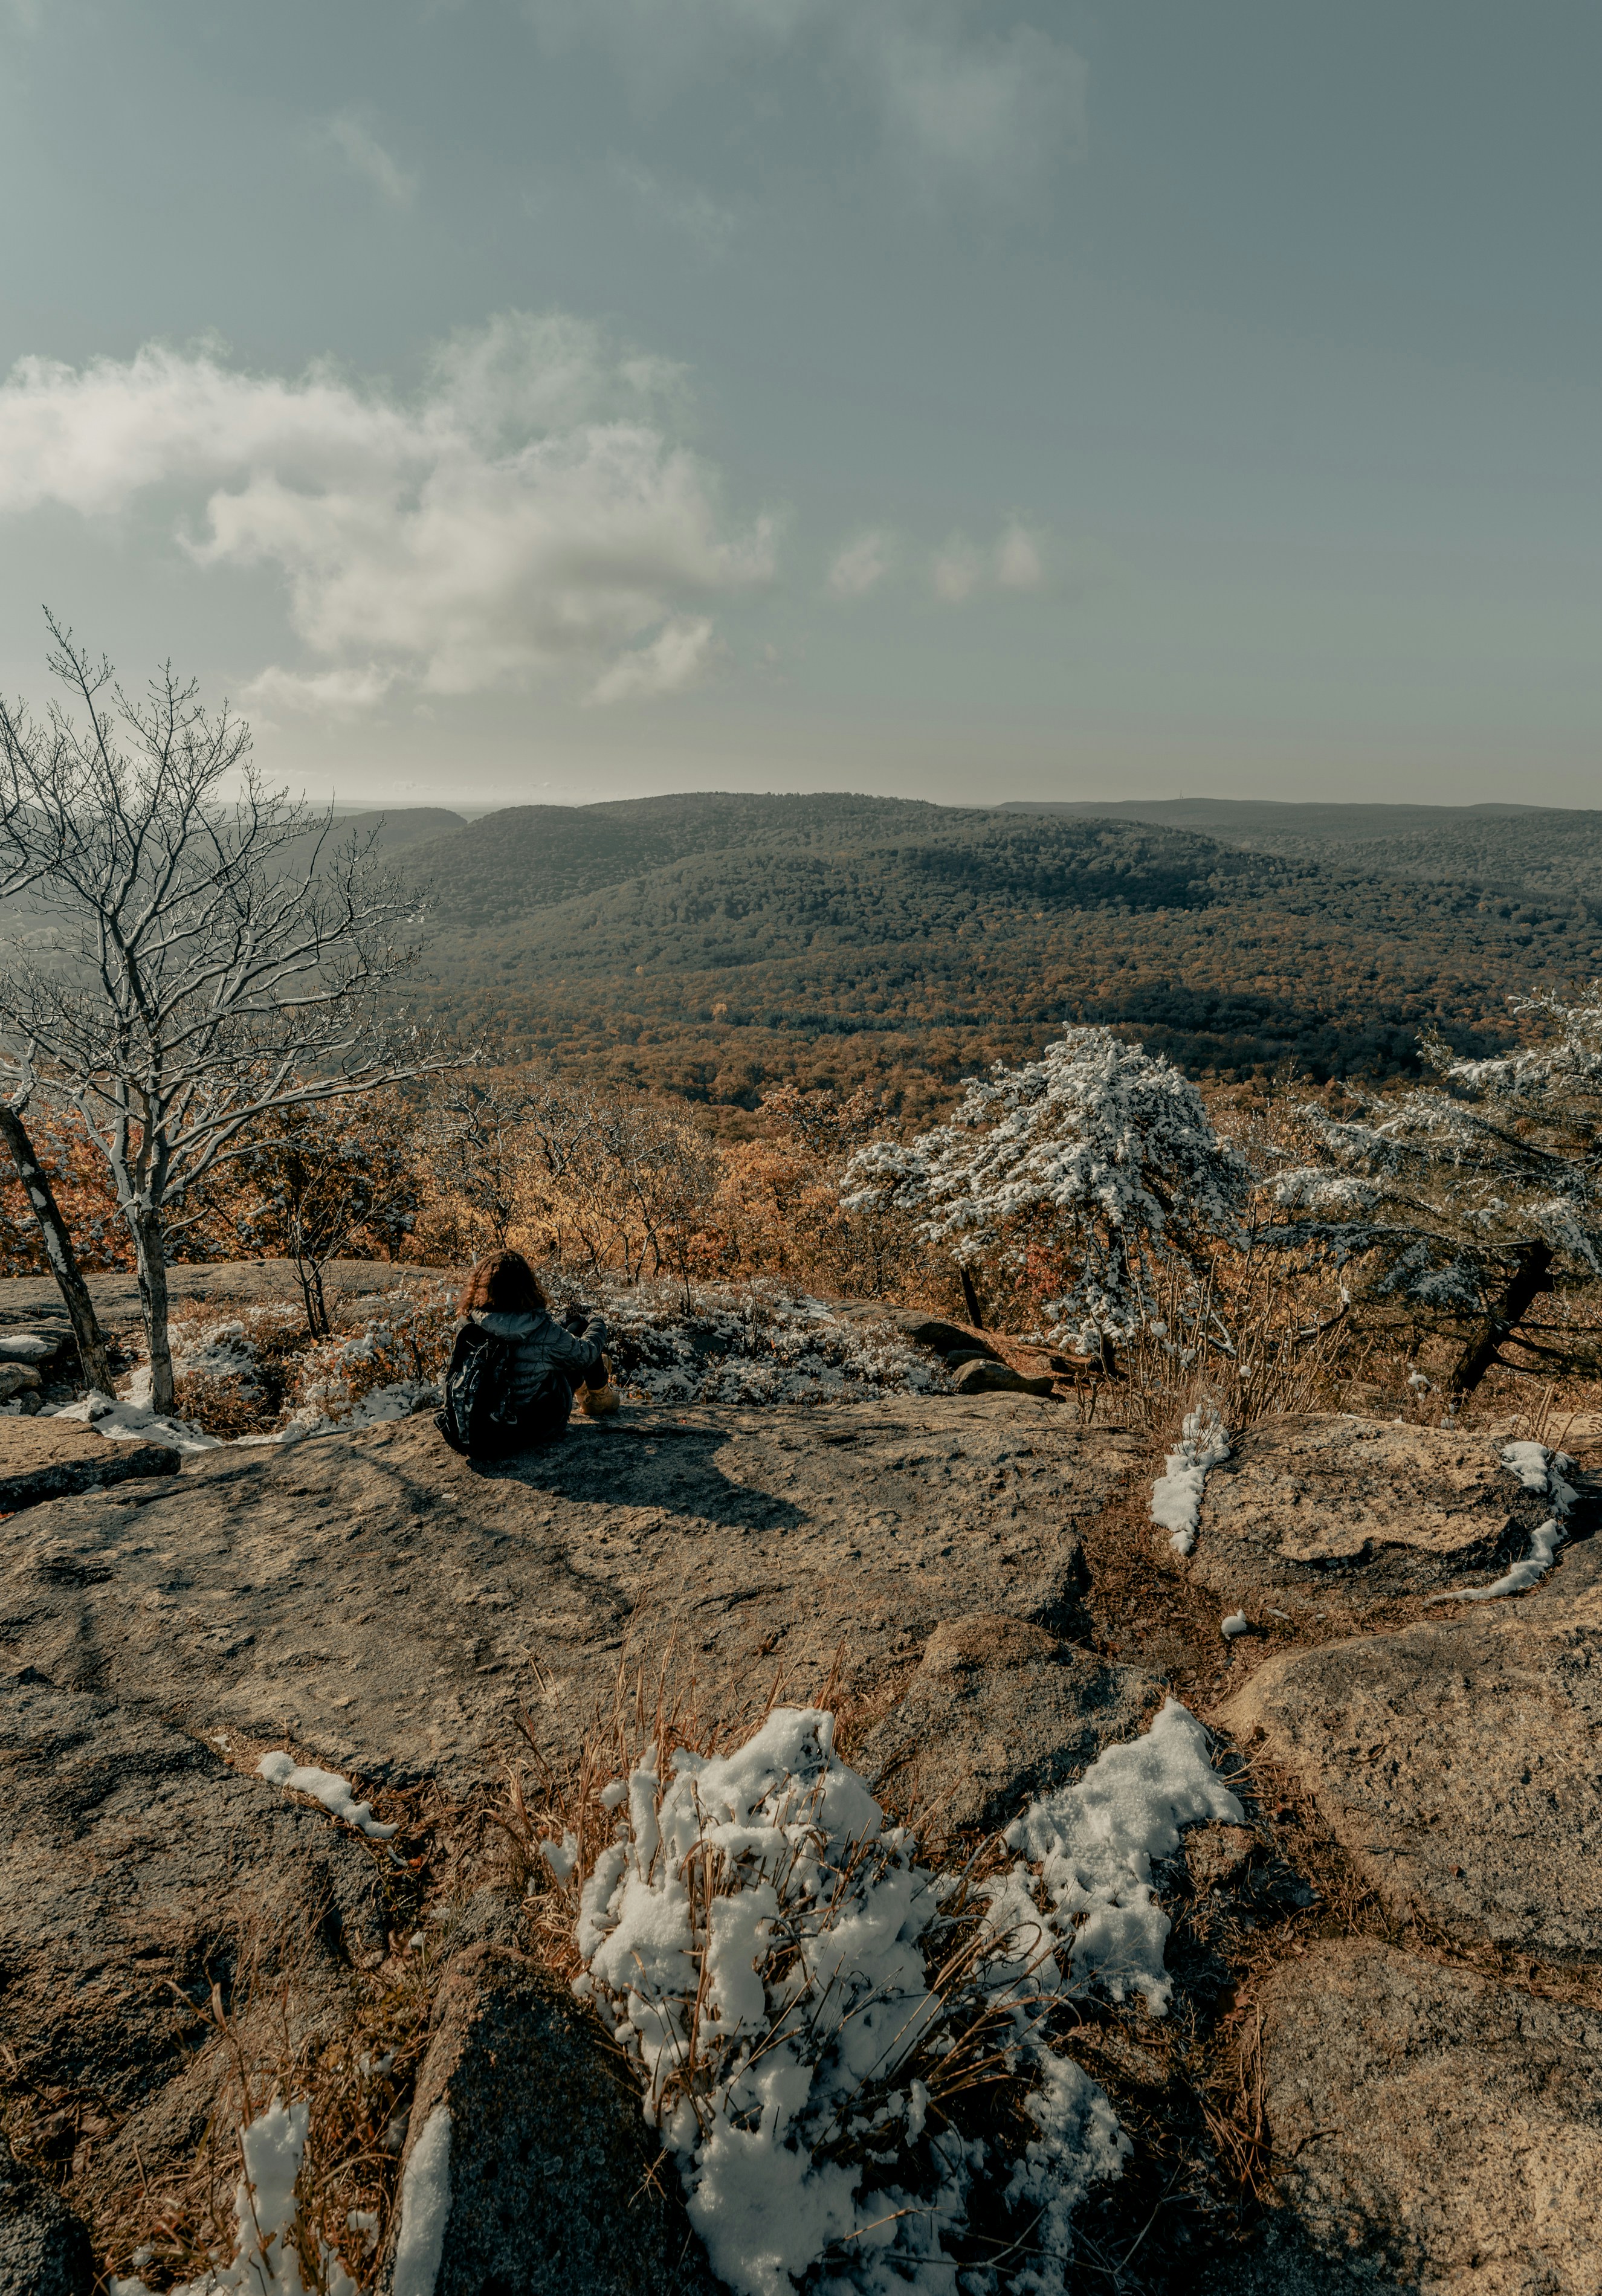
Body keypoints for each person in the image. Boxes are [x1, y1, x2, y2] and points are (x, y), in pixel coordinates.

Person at [437, 1250, 610, 1458]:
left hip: (485, 1425)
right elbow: (587, 1354)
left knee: (566, 1334)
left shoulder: (469, 1322)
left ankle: (593, 1391)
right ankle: (601, 1399)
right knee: (578, 1330)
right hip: (530, 1426)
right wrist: (596, 1322)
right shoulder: (541, 1329)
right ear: (527, 1285)